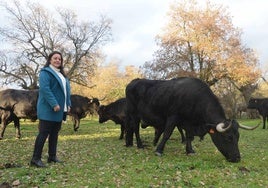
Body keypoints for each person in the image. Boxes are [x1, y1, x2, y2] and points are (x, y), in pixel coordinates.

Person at [30, 51, 71, 168]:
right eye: (55, 58)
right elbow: (45, 89)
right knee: (43, 134)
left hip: (60, 110)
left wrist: (68, 103)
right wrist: (54, 104)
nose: (58, 60)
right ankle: (35, 159)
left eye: (60, 59)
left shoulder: (62, 75)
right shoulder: (45, 73)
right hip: (49, 109)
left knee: (54, 134)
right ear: (50, 60)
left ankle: (52, 156)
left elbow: (67, 91)